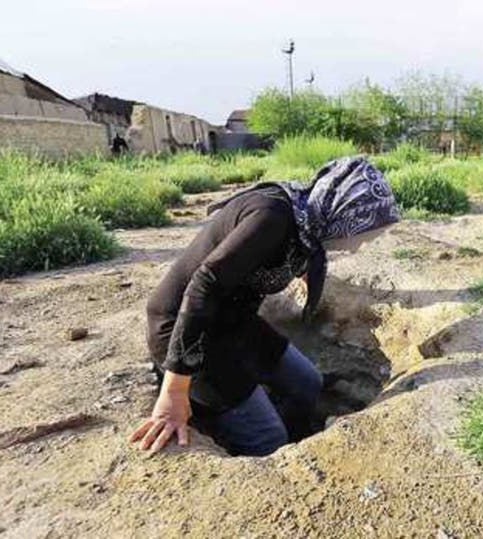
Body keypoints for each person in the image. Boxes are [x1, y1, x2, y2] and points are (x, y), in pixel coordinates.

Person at [130, 156, 400, 456]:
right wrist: (174, 391)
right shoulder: (271, 217)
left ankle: (297, 438)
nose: (362, 245)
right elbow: (202, 288)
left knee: (307, 383)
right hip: (187, 328)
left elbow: (282, 259)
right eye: (364, 233)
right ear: (344, 212)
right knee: (267, 436)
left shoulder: (308, 223)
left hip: (235, 321)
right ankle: (264, 446)